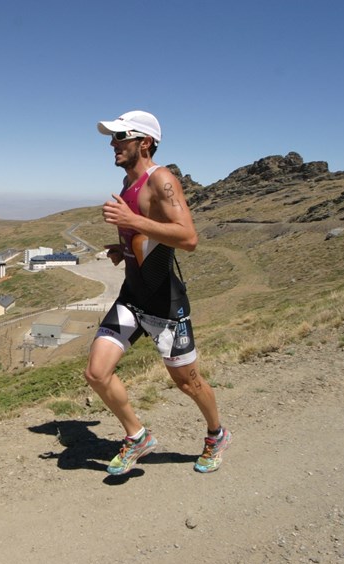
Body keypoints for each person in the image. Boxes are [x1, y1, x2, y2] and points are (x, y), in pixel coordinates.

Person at [85, 110, 231, 476]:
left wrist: (132, 222)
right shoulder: (126, 186)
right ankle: (138, 436)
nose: (112, 144)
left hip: (165, 304)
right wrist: (123, 248)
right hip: (132, 298)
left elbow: (189, 238)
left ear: (144, 142)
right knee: (97, 373)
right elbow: (147, 239)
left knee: (188, 382)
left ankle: (216, 434)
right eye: (113, 137)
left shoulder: (161, 179)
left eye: (120, 137)